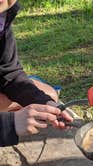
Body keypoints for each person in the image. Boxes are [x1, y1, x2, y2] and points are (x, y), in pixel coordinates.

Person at [0, 0, 73, 147]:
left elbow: (9, 74)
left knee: (49, 95)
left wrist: (44, 102)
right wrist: (10, 124)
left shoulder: (3, 16)